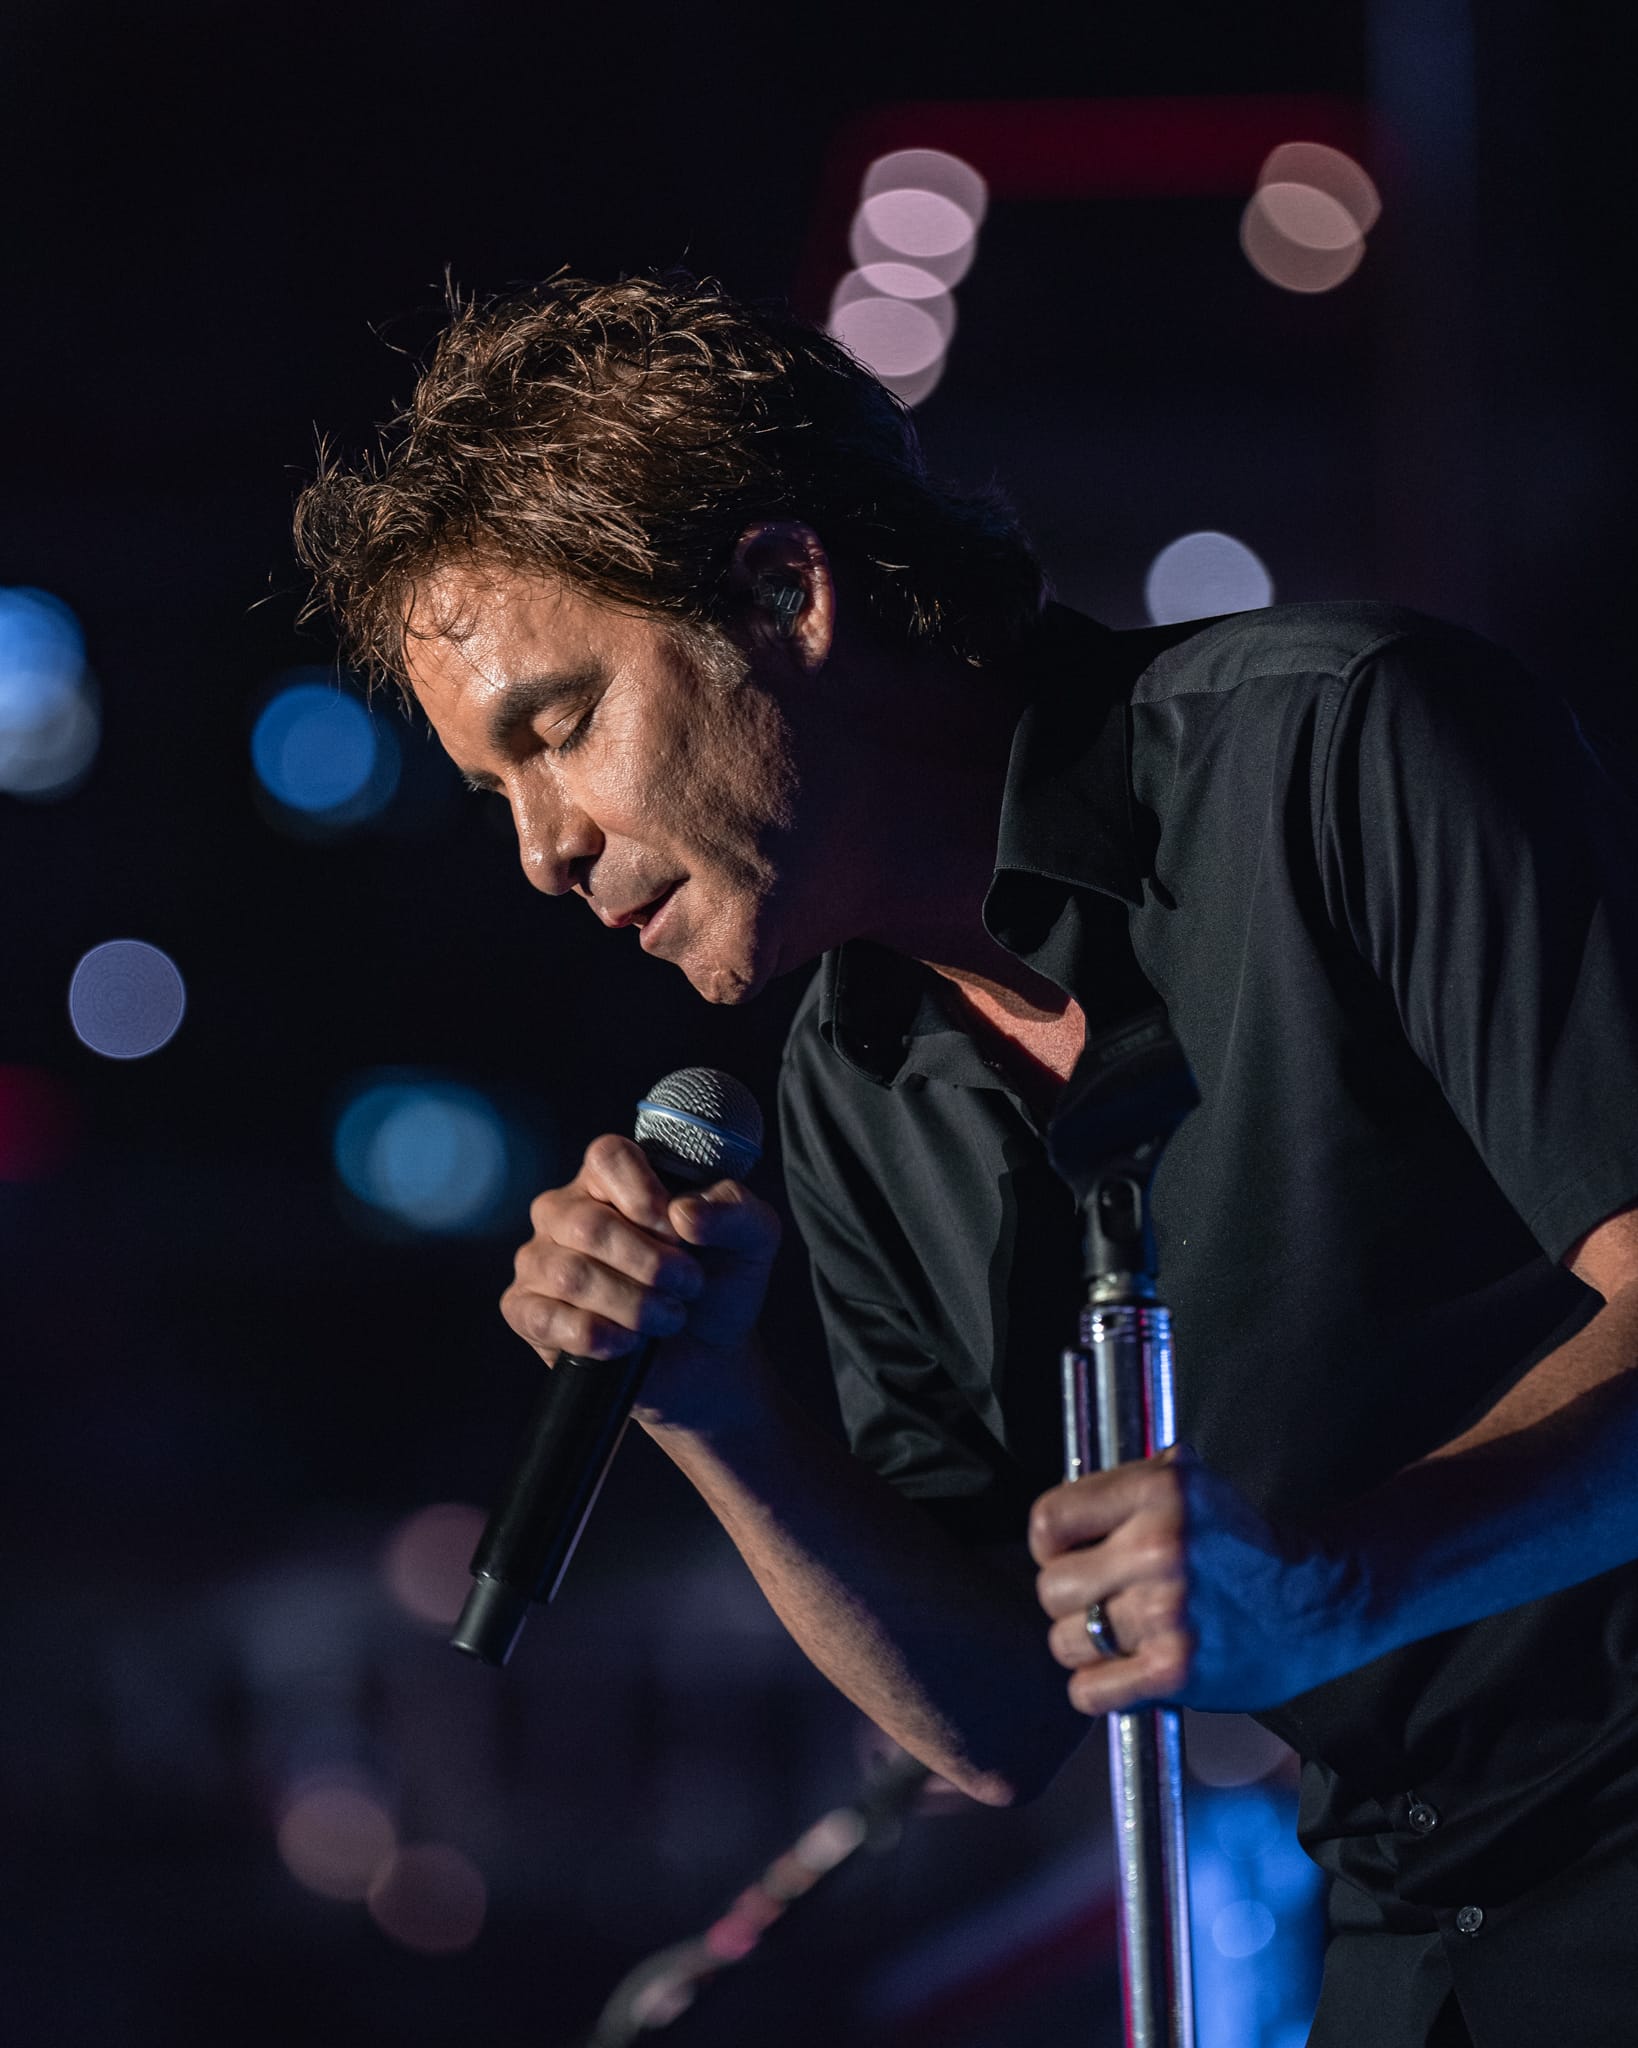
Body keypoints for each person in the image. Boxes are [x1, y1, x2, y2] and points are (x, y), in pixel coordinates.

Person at [294, 272, 1638, 2047]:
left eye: (557, 728)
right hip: (1408, 1922)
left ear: (785, 593)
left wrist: (1334, 1582)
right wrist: (712, 1404)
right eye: (495, 794)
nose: (542, 850)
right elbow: (998, 1717)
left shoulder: (1340, 745)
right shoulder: (848, 1083)